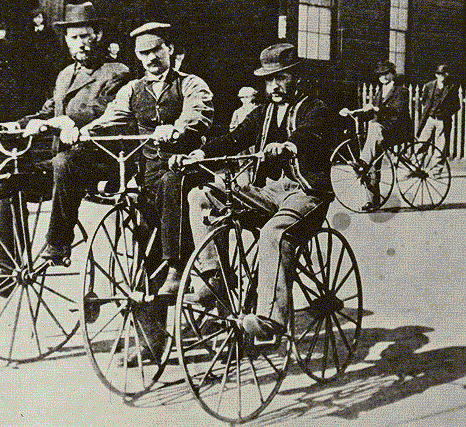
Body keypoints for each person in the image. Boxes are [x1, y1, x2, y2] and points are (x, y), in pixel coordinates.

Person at [170, 43, 334, 339]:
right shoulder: (262, 113)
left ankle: (271, 320)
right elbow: (234, 139)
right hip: (267, 193)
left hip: (305, 194)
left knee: (274, 233)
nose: (274, 86)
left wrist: (288, 145)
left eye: (281, 78)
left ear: (297, 77)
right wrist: (200, 153)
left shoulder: (316, 108)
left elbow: (309, 133)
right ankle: (214, 277)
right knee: (201, 196)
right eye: (269, 80)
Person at [0, 2, 131, 288]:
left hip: (99, 162)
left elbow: (103, 113)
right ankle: (6, 268)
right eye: (74, 37)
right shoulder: (65, 75)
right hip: (62, 164)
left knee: (64, 162)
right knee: (14, 181)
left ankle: (58, 244)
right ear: (66, 40)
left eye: (85, 36)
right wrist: (11, 125)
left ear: (98, 35)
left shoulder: (115, 72)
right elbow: (46, 113)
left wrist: (61, 122)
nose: (80, 43)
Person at [80, 22, 214, 363]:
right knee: (143, 259)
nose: (151, 58)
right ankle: (151, 341)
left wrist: (177, 129)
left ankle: (177, 268)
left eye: (156, 50)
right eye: (143, 53)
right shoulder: (132, 89)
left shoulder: (191, 84)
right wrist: (86, 131)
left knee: (172, 180)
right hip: (150, 179)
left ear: (170, 49)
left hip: (188, 172)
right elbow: (113, 117)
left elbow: (198, 115)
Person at [340, 60, 412, 211]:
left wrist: (378, 109)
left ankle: (362, 162)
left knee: (374, 128)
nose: (383, 77)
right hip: (380, 132)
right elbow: (370, 112)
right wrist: (354, 113)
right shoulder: (380, 92)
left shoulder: (402, 91)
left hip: (396, 130)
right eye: (380, 75)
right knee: (373, 161)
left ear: (393, 74)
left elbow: (397, 111)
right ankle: (372, 201)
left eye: (386, 74)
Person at [417, 64, 460, 164]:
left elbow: (456, 105)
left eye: (443, 74)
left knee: (440, 148)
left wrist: (446, 114)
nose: (441, 76)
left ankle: (435, 170)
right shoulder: (429, 86)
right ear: (436, 75)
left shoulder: (452, 87)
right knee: (421, 143)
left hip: (443, 120)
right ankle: (416, 165)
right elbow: (424, 101)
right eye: (439, 74)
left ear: (447, 74)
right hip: (430, 119)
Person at [23, 7, 63, 113]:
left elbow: (56, 48)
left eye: (40, 17)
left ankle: (47, 110)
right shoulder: (29, 31)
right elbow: (25, 48)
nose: (38, 20)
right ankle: (34, 110)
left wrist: (50, 59)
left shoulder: (49, 31)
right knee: (34, 88)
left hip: (47, 66)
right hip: (33, 66)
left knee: (46, 87)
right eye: (35, 18)